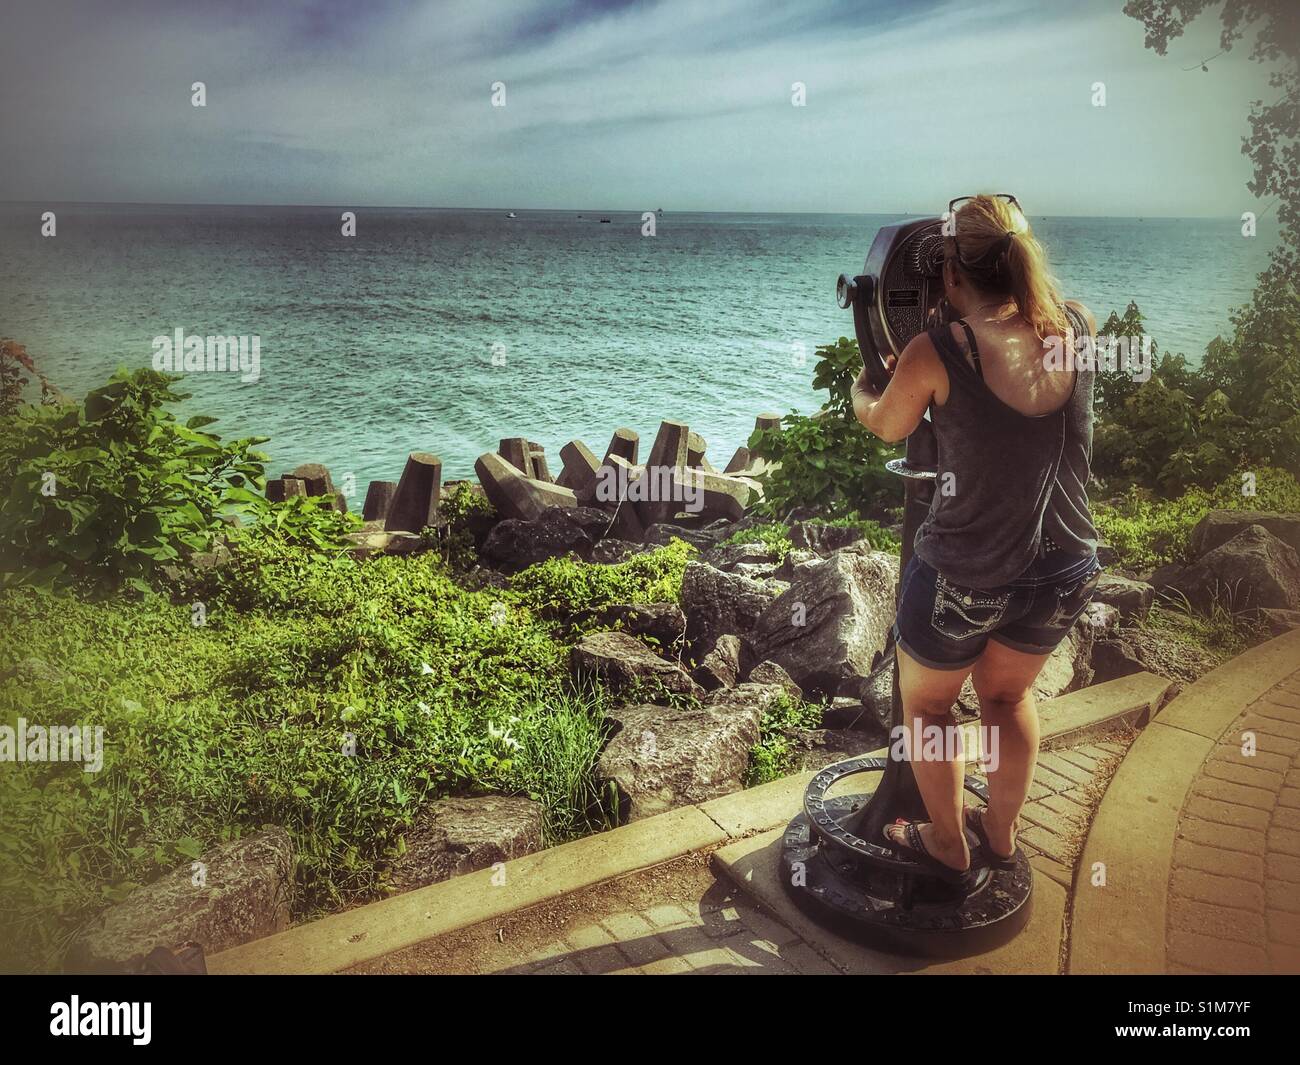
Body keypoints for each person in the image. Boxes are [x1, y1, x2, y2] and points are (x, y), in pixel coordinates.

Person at [851, 193, 1101, 890]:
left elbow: (889, 424)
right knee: (1006, 699)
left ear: (952, 274)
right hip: (1066, 567)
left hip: (966, 572)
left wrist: (860, 389)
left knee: (928, 705)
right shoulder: (1077, 325)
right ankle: (1000, 832)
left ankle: (946, 841)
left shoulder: (937, 349)